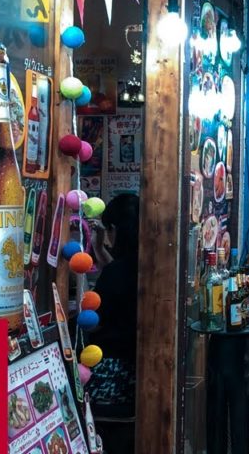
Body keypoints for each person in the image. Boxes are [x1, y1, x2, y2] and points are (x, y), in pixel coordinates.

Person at [86, 193, 140, 453]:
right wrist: (99, 249)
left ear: (115, 230)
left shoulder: (115, 274)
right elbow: (118, 273)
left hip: (112, 379)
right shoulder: (146, 264)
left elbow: (94, 324)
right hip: (136, 376)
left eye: (107, 230)